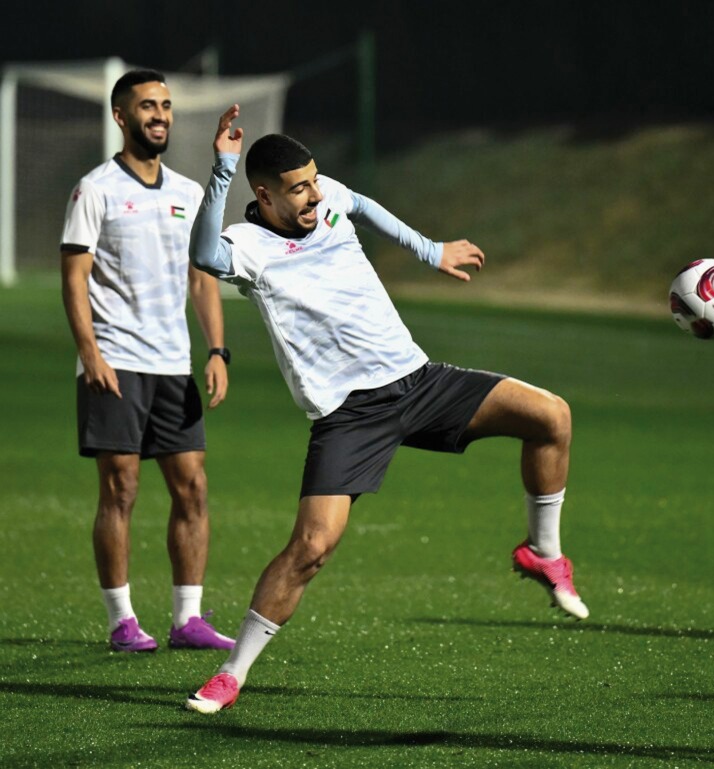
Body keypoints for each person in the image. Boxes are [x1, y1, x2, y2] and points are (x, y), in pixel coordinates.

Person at [183, 105, 587, 714]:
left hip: (418, 382)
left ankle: (544, 552)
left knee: (551, 416)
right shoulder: (249, 245)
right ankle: (233, 672)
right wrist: (221, 170)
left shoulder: (328, 198)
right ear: (263, 196)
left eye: (315, 180)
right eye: (298, 189)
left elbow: (363, 204)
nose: (315, 195)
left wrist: (432, 250)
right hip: (348, 415)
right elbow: (207, 256)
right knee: (311, 549)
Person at [60, 69, 235, 652]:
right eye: (146, 107)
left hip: (173, 365)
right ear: (120, 116)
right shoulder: (95, 189)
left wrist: (216, 349)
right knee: (121, 488)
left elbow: (202, 280)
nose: (159, 115)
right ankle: (122, 621)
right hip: (115, 362)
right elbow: (75, 275)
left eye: (165, 106)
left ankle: (188, 619)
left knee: (193, 488)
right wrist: (90, 353)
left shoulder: (189, 194)